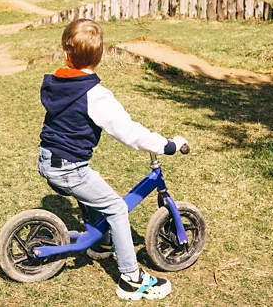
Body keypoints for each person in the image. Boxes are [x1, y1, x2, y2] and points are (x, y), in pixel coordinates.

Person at [38, 19, 188, 301]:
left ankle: (102, 243)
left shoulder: (58, 82)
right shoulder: (96, 95)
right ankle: (131, 279)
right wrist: (165, 145)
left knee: (93, 186)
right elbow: (129, 132)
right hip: (70, 168)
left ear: (65, 54)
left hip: (49, 159)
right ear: (100, 56)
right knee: (117, 209)